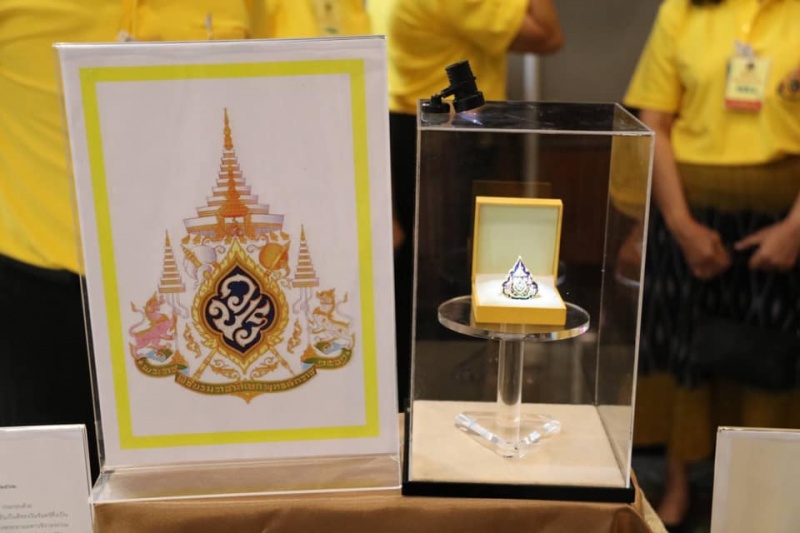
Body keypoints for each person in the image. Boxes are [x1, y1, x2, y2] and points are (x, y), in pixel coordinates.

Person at [0, 0, 370, 481]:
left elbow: (288, 97)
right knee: (52, 488)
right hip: (43, 286)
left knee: (197, 489)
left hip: (198, 292)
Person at [624, 0, 800, 527]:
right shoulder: (682, 10)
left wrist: (795, 229)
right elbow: (655, 121)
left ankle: (765, 502)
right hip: (688, 215)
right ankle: (678, 487)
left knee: (772, 360)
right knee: (684, 352)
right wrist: (681, 226)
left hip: (786, 219)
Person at [369, 0, 564, 411]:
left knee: (413, 278)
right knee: (451, 275)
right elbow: (548, 35)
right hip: (447, 136)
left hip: (403, 123)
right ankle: (439, 401)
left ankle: (407, 399)